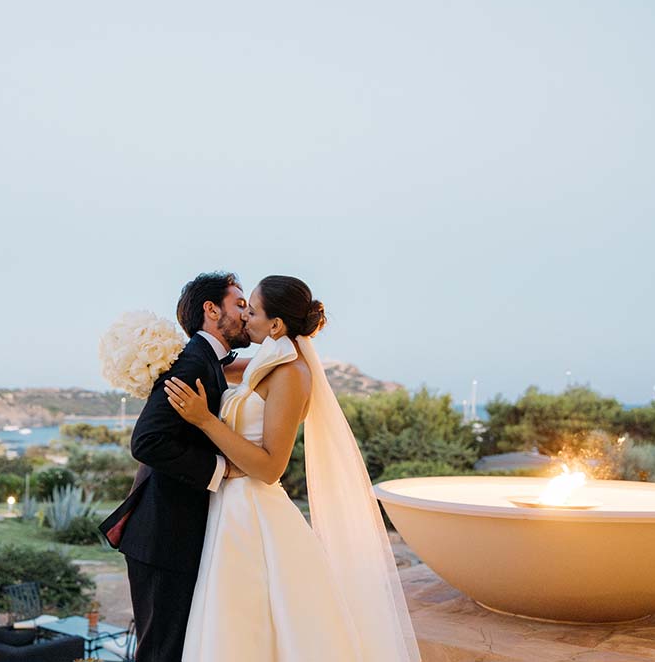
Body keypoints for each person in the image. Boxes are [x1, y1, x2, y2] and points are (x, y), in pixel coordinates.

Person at [165, 275, 421, 662]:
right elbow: (218, 366)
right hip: (230, 507)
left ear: (275, 325)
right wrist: (163, 359)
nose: (245, 317)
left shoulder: (291, 373)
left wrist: (205, 420)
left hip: (253, 512)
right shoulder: (268, 361)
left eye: (252, 311)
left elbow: (271, 466)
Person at [100, 271, 251, 662]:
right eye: (239, 304)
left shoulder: (206, 359)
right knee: (161, 653)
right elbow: (146, 441)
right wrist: (221, 469)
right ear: (211, 310)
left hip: (175, 534)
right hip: (164, 537)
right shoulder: (192, 363)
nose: (247, 312)